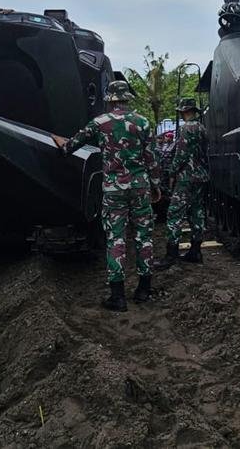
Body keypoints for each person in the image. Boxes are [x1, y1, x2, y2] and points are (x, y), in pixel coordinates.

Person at [52, 80, 161, 311]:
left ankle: (117, 297)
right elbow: (152, 158)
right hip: (140, 187)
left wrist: (60, 142)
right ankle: (144, 290)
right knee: (144, 236)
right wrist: (156, 185)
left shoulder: (99, 123)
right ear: (127, 98)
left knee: (116, 238)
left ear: (110, 99)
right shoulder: (142, 122)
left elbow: (69, 147)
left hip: (113, 190)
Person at [154, 98, 210, 268]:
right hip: (201, 176)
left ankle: (171, 255)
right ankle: (195, 251)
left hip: (186, 177)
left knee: (174, 214)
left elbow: (181, 154)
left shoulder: (186, 128)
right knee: (197, 212)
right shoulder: (202, 128)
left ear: (184, 112)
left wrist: (172, 172)